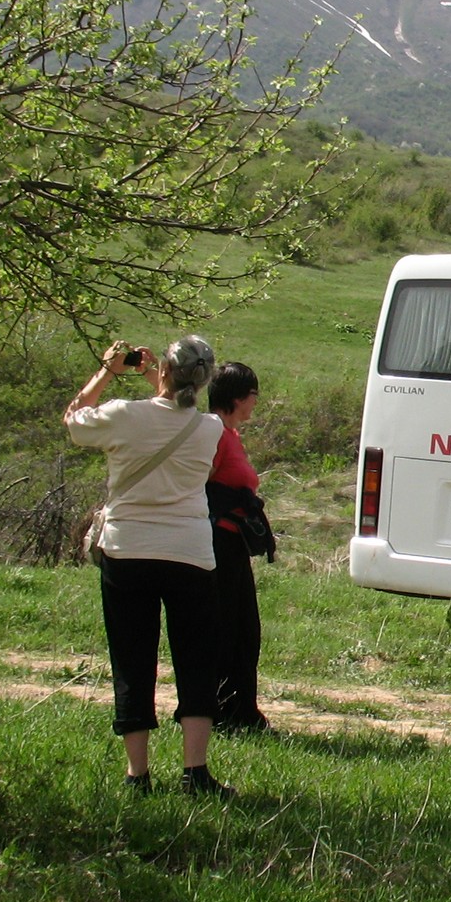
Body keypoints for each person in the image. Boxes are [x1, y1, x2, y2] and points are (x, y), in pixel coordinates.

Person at [65, 335, 230, 796]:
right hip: (190, 552)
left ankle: (138, 774)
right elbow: (177, 413)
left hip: (129, 548)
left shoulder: (123, 414)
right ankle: (195, 772)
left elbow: (74, 421)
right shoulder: (211, 429)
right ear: (204, 381)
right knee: (196, 659)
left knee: (132, 658)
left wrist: (109, 371)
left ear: (163, 371)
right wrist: (159, 381)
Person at [204, 361, 273, 736]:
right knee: (231, 628)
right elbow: (200, 481)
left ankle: (239, 708)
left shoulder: (228, 432)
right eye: (252, 396)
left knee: (243, 628)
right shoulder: (213, 432)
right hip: (218, 545)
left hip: (232, 543)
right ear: (236, 397)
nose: (255, 404)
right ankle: (229, 713)